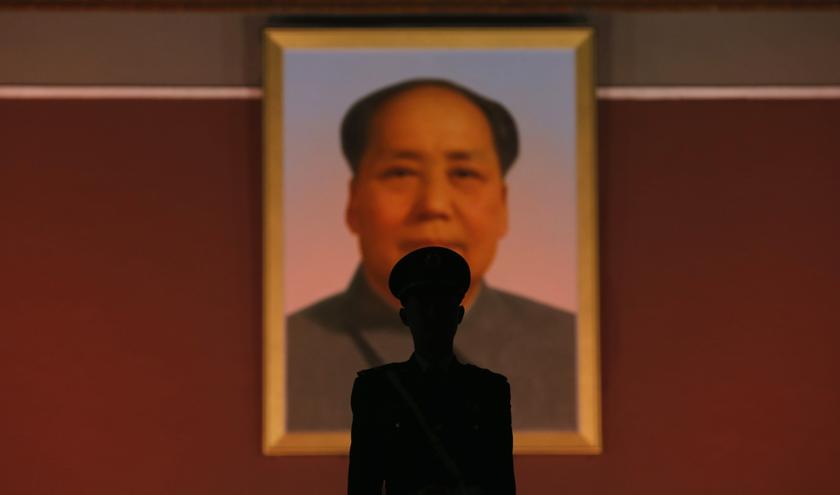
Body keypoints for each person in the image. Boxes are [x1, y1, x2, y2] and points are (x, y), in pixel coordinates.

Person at [287, 78, 576, 431]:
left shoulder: (571, 350)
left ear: (502, 205)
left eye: (464, 174)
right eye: (401, 173)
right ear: (353, 202)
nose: (434, 205)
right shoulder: (287, 355)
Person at [348, 247, 515, 495]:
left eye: (442, 306)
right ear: (405, 317)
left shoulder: (490, 391)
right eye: (423, 306)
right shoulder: (376, 390)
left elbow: (501, 483)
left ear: (458, 315)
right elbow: (362, 483)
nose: (433, 315)